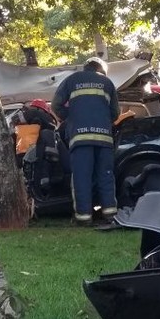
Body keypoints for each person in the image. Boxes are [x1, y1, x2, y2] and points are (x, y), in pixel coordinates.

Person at [51, 57, 120, 226]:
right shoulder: (107, 83)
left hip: (80, 139)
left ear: (85, 68)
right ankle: (110, 215)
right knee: (106, 176)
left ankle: (84, 218)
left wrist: (71, 117)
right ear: (101, 70)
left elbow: (55, 105)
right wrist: (103, 120)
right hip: (104, 138)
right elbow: (115, 112)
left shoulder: (71, 80)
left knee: (82, 177)